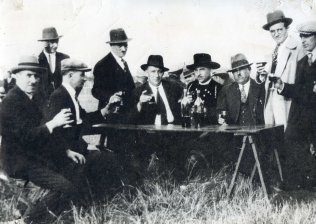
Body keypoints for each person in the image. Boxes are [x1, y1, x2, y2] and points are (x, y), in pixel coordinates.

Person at [0, 55, 79, 223]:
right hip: (19, 162)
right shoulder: (10, 102)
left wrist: (66, 151)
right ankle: (26, 221)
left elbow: (42, 134)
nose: (33, 80)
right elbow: (25, 138)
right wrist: (53, 124)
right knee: (66, 188)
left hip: (34, 158)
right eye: (28, 75)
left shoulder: (35, 98)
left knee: (74, 171)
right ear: (16, 76)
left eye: (36, 76)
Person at [43, 58, 126, 199]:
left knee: (108, 156)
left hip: (75, 150)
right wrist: (81, 148)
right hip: (64, 156)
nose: (85, 79)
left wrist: (106, 109)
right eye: (81, 74)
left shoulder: (70, 96)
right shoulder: (59, 96)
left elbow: (83, 120)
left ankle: (100, 198)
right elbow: (54, 133)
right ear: (70, 75)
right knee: (106, 158)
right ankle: (100, 200)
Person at [274, 21, 316, 189]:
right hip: (302, 115)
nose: (303, 40)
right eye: (301, 37)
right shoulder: (303, 62)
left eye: (308, 36)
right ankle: (296, 186)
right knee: (291, 142)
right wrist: (282, 86)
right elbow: (301, 91)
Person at [256, 10, 304, 130]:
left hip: (289, 104)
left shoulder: (298, 48)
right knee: (274, 140)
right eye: (272, 31)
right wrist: (263, 75)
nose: (276, 34)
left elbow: (302, 85)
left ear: (286, 28)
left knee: (288, 140)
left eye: (279, 30)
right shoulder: (275, 51)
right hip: (272, 104)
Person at [92, 28, 135, 122]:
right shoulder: (102, 65)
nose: (124, 49)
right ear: (111, 45)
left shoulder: (124, 63)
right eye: (120, 45)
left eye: (126, 45)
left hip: (126, 112)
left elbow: (131, 87)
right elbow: (96, 90)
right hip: (111, 113)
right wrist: (110, 97)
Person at [131, 55, 182, 125]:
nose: (157, 75)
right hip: (150, 132)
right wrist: (140, 103)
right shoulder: (138, 92)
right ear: (146, 72)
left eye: (159, 71)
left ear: (163, 73)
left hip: (174, 129)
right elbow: (132, 119)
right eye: (153, 71)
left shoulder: (174, 87)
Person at [217, 54, 265, 125]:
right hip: (234, 134)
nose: (238, 73)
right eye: (235, 71)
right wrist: (221, 119)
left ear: (249, 70)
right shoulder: (226, 90)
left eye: (242, 69)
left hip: (257, 133)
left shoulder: (260, 87)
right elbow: (220, 112)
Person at [37, 27, 70, 106]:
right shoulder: (37, 61)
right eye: (52, 42)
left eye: (56, 41)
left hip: (64, 104)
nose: (55, 45)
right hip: (43, 106)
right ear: (44, 43)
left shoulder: (65, 59)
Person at [186, 53, 222, 124]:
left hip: (211, 128)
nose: (198, 73)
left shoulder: (218, 88)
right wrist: (187, 104)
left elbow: (219, 113)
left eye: (202, 69)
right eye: (196, 70)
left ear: (210, 70)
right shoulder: (190, 86)